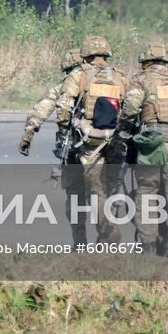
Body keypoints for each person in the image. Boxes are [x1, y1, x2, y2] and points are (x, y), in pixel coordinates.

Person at [117, 42, 168, 257]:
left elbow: (130, 108)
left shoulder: (142, 81)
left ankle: (148, 245)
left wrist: (124, 133)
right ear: (166, 62)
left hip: (151, 146)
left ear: (146, 62)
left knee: (147, 193)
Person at [53, 35, 128, 246]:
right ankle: (108, 237)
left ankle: (107, 234)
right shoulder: (121, 77)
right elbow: (131, 110)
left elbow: (63, 108)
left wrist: (63, 134)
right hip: (115, 141)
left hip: (89, 143)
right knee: (112, 187)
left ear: (86, 55)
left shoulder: (79, 75)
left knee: (96, 191)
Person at [18, 48, 82, 157]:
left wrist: (27, 137)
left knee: (67, 156)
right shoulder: (106, 79)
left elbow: (40, 112)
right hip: (106, 133)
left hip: (77, 134)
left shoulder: (64, 85)